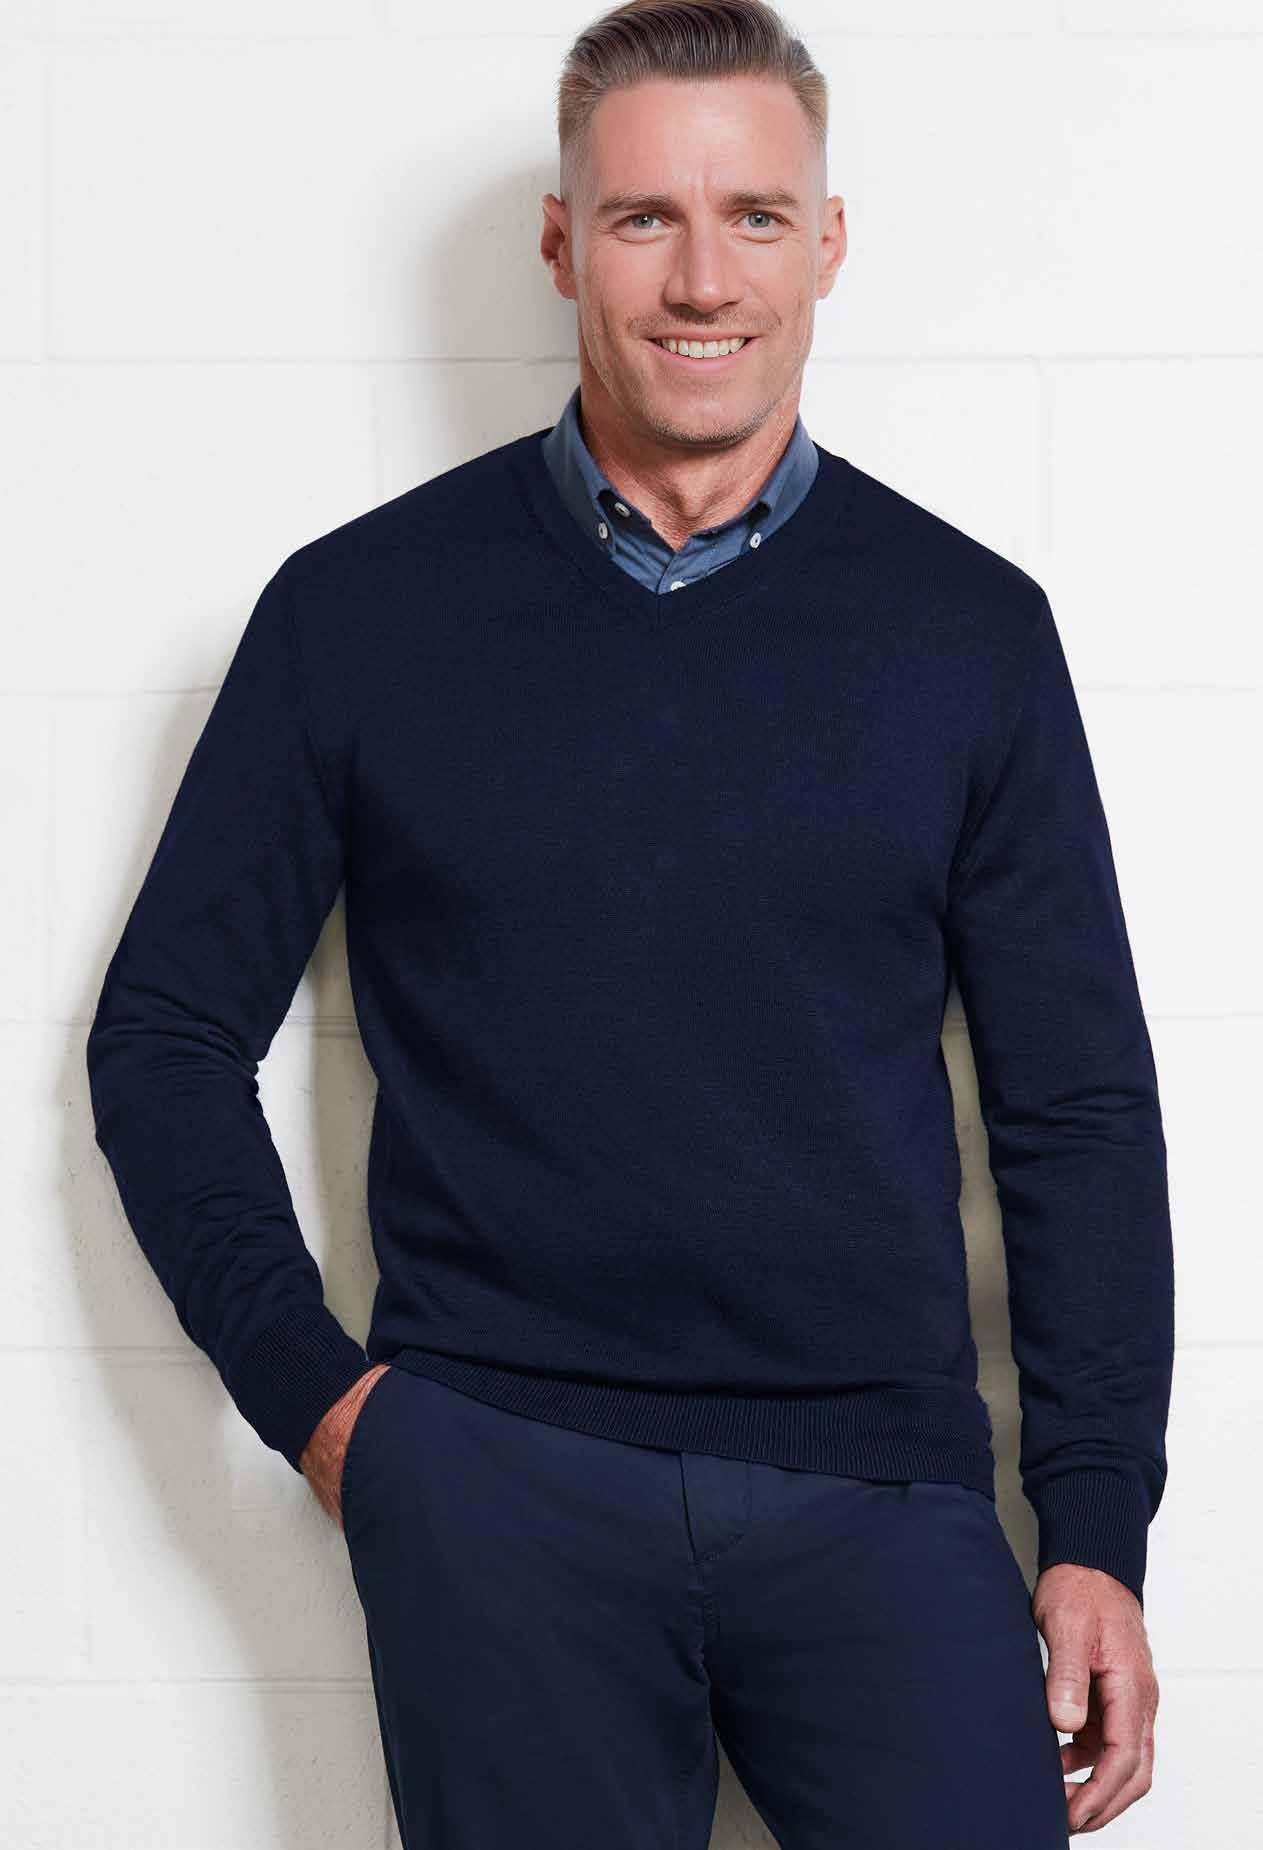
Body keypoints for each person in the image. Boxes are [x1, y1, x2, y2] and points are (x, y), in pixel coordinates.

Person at [85, 2, 1172, 1843]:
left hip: (884, 1492)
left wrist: (1096, 1527)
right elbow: (166, 1035)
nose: (702, 278)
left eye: (756, 216)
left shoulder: (971, 632)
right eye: (645, 216)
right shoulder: (360, 613)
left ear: (828, 244)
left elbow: (1076, 1108)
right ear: (562, 241)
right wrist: (333, 1412)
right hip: (498, 1487)